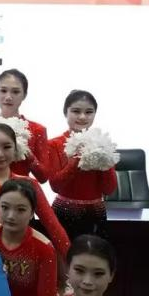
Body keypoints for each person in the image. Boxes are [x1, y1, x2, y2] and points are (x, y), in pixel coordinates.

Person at [0, 122, 70, 259]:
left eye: (7, 147)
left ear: (15, 149)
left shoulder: (30, 184)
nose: (0, 154)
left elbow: (53, 227)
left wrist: (71, 258)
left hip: (23, 259)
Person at [48, 89, 118, 240]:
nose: (82, 117)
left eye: (89, 112)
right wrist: (75, 162)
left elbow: (109, 189)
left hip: (95, 211)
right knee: (64, 252)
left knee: (94, 252)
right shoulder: (54, 144)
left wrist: (104, 159)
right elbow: (55, 185)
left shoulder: (103, 143)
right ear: (65, 112)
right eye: (76, 111)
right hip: (64, 210)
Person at [0, 69, 54, 181]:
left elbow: (43, 177)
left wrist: (28, 154)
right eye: (3, 91)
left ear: (24, 95)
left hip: (22, 189)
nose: (8, 97)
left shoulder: (37, 130)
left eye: (15, 92)